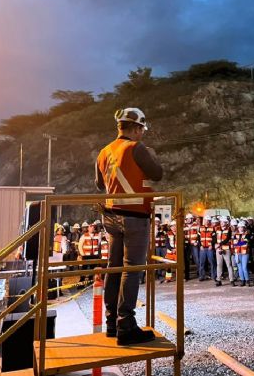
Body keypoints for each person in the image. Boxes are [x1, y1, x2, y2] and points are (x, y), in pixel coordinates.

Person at [95, 107, 163, 345]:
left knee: (113, 268)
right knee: (131, 269)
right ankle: (126, 326)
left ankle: (111, 323)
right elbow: (158, 174)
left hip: (111, 215)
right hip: (135, 215)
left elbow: (98, 183)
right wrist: (150, 156)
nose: (142, 133)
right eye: (142, 129)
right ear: (136, 128)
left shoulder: (104, 151)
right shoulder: (136, 147)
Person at [214, 217, 234, 286]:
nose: (222, 223)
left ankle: (231, 280)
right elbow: (214, 238)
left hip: (226, 249)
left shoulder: (229, 229)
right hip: (218, 249)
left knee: (229, 265)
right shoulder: (217, 229)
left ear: (226, 223)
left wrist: (219, 244)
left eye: (224, 222)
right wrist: (215, 244)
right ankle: (218, 280)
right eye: (221, 222)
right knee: (219, 265)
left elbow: (228, 238)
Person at [233, 221, 252, 286]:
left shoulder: (247, 235)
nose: (240, 228)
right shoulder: (236, 235)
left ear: (244, 228)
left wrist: (238, 243)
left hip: (245, 253)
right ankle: (242, 280)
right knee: (240, 268)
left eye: (242, 227)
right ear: (238, 228)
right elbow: (234, 243)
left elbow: (245, 242)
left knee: (244, 267)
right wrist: (239, 243)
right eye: (239, 227)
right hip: (238, 253)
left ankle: (247, 280)